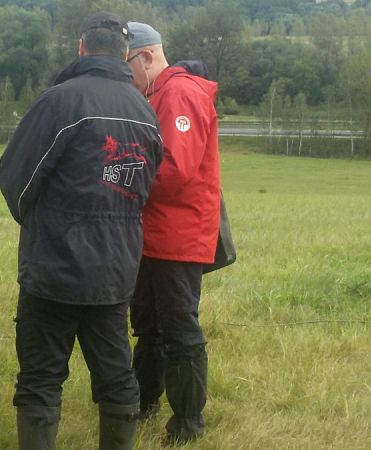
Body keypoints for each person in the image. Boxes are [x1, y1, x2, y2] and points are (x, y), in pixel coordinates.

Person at [0, 13, 163, 450]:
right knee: (116, 376)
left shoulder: (60, 101)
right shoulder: (144, 110)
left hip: (55, 269)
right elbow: (142, 190)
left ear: (81, 48)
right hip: (115, 272)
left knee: (40, 377)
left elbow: (16, 179)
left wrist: (43, 227)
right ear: (125, 55)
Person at [125, 21, 221, 444]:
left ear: (146, 57)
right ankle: (145, 400)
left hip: (178, 236)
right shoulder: (154, 93)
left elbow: (175, 170)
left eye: (126, 64)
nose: (124, 74)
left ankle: (187, 421)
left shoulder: (179, 94)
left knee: (179, 327)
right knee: (148, 325)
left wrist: (118, 177)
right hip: (154, 234)